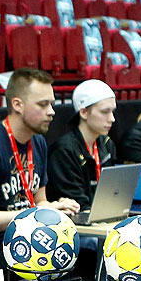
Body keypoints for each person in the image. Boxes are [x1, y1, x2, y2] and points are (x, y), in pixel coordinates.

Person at [0, 67, 80, 272]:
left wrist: (56, 207)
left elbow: (39, 200)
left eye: (52, 103)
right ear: (17, 105)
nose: (52, 111)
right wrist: (36, 213)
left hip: (29, 237)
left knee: (78, 255)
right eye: (43, 104)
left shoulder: (37, 142)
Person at [47, 78, 117, 210]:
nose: (112, 118)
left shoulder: (107, 144)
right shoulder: (64, 150)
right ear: (84, 112)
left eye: (113, 111)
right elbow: (76, 203)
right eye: (105, 112)